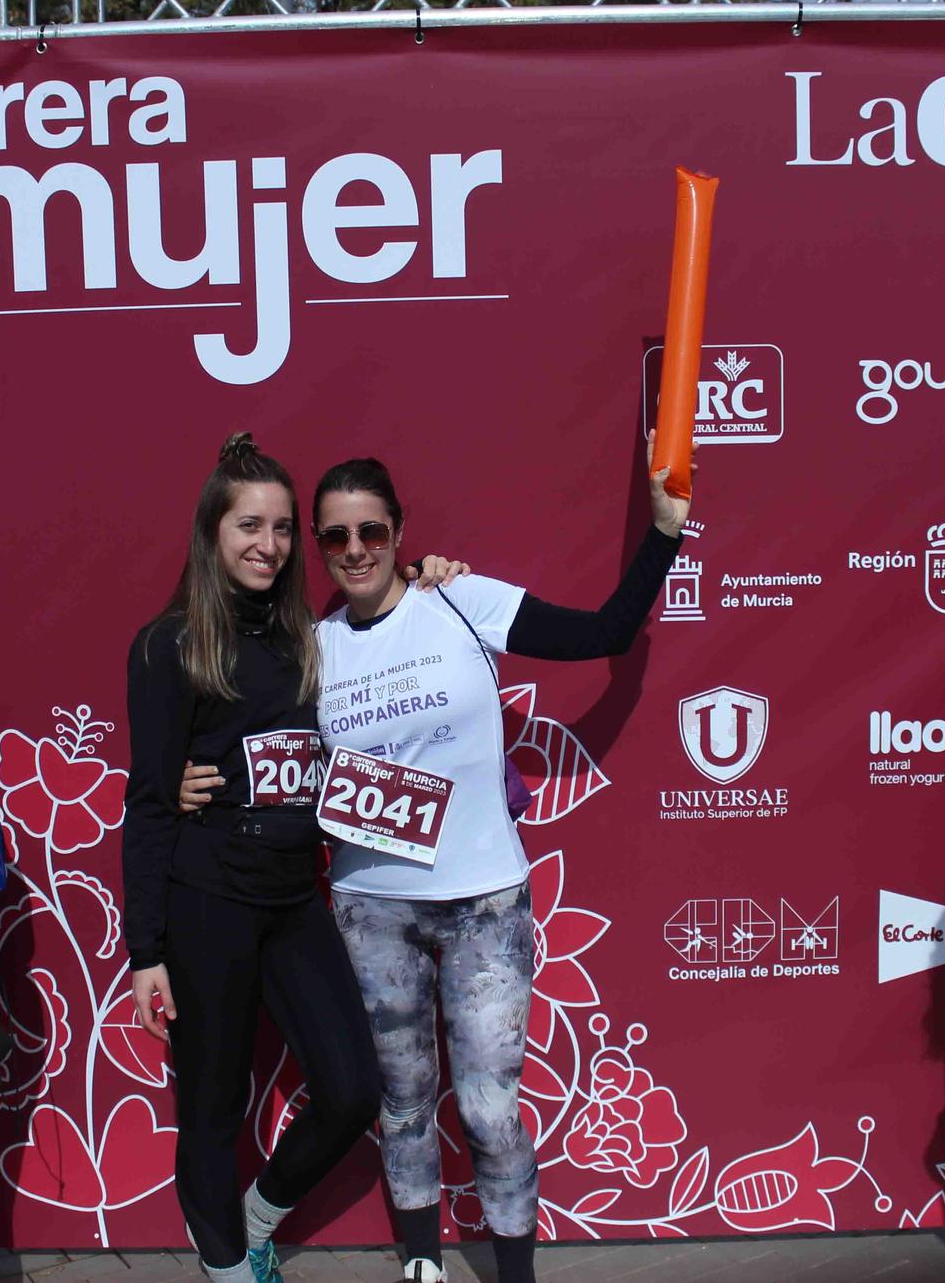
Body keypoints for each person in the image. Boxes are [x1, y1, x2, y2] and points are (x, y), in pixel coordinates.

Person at [185, 443, 692, 1283]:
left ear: (399, 530)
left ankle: (516, 1274)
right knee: (405, 1105)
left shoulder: (459, 600)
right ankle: (424, 1265)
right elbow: (245, 743)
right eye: (336, 538)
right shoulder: (312, 648)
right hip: (369, 906)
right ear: (317, 544)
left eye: (372, 532)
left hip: (485, 902)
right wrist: (180, 775)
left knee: (491, 1111)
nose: (355, 553)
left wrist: (666, 532)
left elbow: (602, 631)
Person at [124, 434, 387, 1283]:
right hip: (207, 902)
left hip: (292, 899)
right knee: (210, 1110)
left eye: (281, 527)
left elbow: (382, 617)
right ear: (211, 532)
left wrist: (426, 578)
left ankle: (259, 1216)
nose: (267, 545)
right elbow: (151, 804)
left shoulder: (308, 640)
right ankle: (230, 1271)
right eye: (248, 525)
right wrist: (146, 951)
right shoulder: (167, 646)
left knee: (352, 1087)